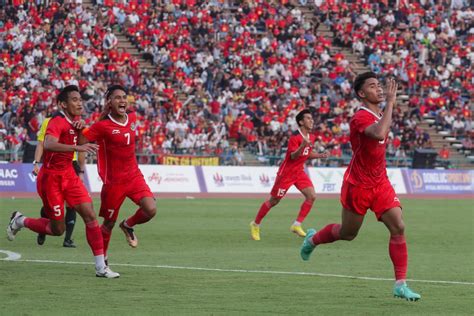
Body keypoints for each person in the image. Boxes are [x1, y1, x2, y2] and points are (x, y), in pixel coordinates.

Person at [300, 73, 421, 301]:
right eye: (373, 86)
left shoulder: (378, 113)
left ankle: (400, 284)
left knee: (398, 227)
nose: (379, 89)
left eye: (379, 86)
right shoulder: (360, 117)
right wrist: (392, 103)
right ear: (361, 93)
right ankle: (312, 240)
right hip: (358, 185)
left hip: (380, 182)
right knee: (348, 233)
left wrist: (388, 106)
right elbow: (379, 133)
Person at [6, 85, 119, 278]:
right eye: (74, 99)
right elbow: (48, 143)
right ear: (63, 104)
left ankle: (101, 267)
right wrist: (77, 146)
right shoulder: (57, 121)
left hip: (69, 176)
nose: (79, 102)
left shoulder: (76, 122)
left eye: (80, 99)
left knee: (90, 215)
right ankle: (21, 220)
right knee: (57, 229)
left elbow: (86, 137)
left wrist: (88, 127)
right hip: (51, 179)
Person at [81, 85, 156, 264]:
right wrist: (100, 117)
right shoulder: (103, 126)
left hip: (134, 175)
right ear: (109, 102)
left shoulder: (132, 117)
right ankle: (103, 258)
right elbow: (83, 139)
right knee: (108, 224)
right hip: (114, 182)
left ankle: (128, 225)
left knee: (150, 209)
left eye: (124, 97)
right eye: (117, 98)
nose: (122, 100)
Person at [250, 109, 328, 241]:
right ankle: (255, 224)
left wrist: (319, 155)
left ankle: (297, 225)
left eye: (311, 118)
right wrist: (302, 145)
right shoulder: (295, 137)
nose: (312, 120)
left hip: (299, 172)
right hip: (286, 174)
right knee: (274, 201)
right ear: (301, 122)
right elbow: (293, 156)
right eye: (308, 118)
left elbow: (306, 154)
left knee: (312, 196)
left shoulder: (311, 137)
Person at [33, 117, 83, 248]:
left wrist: (82, 170)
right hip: (54, 167)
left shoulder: (77, 122)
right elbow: (41, 143)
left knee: (72, 204)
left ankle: (68, 239)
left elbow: (81, 147)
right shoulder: (49, 121)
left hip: (71, 165)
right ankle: (42, 228)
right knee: (53, 206)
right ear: (62, 103)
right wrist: (36, 162)